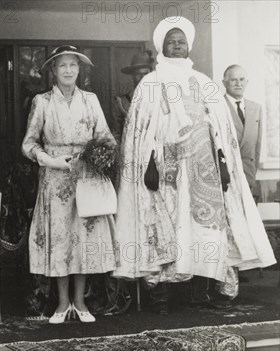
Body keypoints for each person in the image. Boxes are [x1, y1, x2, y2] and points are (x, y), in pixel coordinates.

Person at [113, 16, 276, 314]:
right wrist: (148, 164)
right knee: (165, 228)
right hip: (164, 172)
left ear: (189, 46)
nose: (177, 46)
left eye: (181, 42)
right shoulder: (150, 83)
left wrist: (223, 162)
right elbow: (139, 131)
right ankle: (161, 296)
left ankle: (199, 294)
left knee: (203, 230)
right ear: (162, 46)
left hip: (204, 169)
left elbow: (220, 130)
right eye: (171, 42)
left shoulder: (204, 83)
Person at [21, 45, 117, 324]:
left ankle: (80, 302)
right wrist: (49, 160)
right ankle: (62, 304)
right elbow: (27, 144)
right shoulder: (42, 102)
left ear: (79, 70)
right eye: (62, 66)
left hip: (85, 179)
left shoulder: (90, 100)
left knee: (82, 240)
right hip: (54, 180)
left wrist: (99, 155)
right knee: (60, 240)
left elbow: (106, 138)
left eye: (73, 65)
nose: (68, 70)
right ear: (53, 70)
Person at [223, 65, 263, 202]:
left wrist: (252, 174)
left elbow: (257, 147)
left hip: (249, 177)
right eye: (233, 80)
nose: (238, 84)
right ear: (224, 83)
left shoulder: (255, 108)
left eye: (241, 79)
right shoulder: (217, 107)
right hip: (227, 178)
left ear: (247, 82)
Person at [111, 50, 154, 144]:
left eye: (146, 74)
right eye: (138, 74)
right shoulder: (121, 102)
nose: (143, 78)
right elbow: (116, 133)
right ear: (132, 76)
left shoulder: (159, 100)